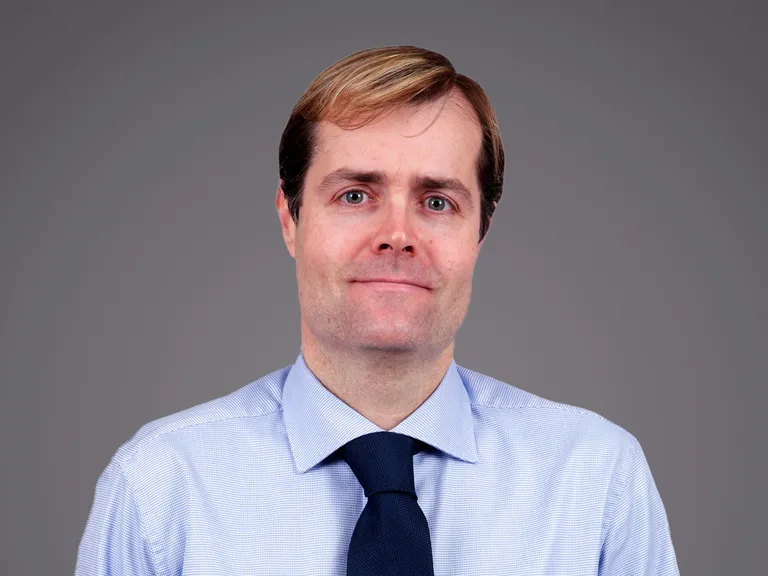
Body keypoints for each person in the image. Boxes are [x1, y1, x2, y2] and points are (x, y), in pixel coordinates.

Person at [76, 46, 679, 575]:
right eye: (356, 194)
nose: (397, 234)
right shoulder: (159, 484)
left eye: (437, 201)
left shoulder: (597, 478)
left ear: (481, 233)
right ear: (291, 219)